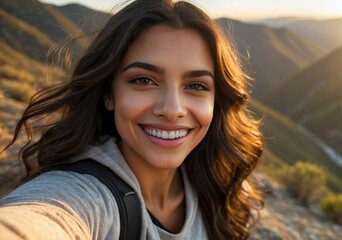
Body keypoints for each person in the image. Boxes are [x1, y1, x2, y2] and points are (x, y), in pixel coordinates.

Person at [0, 0, 264, 239]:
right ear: (108, 94)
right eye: (143, 80)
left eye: (196, 85)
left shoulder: (213, 186)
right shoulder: (81, 195)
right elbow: (36, 221)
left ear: (216, 100)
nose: (172, 109)